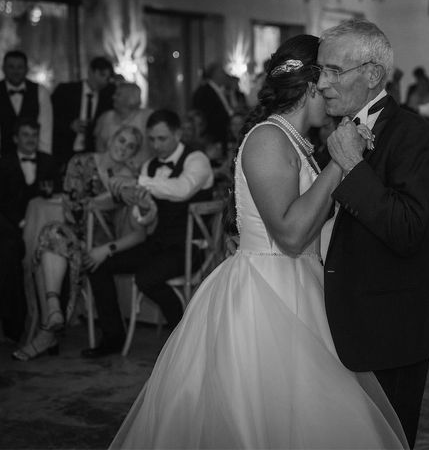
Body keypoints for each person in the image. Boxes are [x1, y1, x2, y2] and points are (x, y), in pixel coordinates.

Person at [108, 35, 407, 449]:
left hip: (301, 284)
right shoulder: (269, 138)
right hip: (265, 295)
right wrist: (342, 163)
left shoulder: (299, 142)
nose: (334, 90)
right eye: (329, 78)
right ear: (310, 86)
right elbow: (289, 233)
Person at [316, 19, 429, 448]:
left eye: (334, 71)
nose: (322, 83)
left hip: (390, 331)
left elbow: (407, 230)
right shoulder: (330, 133)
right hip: (335, 323)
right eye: (321, 71)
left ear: (372, 75)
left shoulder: (413, 135)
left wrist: (354, 166)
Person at [84, 109, 214, 358]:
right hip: (158, 243)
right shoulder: (149, 166)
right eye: (152, 139)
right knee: (99, 264)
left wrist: (140, 182)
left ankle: (185, 338)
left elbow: (182, 190)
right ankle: (113, 336)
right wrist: (143, 209)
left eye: (162, 138)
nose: (155, 145)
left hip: (190, 247)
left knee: (146, 278)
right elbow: (146, 218)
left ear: (177, 133)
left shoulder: (196, 159)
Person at [11, 125, 146, 361]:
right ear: (110, 137)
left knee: (51, 241)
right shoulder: (80, 162)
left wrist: (115, 198)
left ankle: (49, 326)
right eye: (121, 140)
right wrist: (102, 201)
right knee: (54, 235)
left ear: (135, 152)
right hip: (75, 236)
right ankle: (53, 312)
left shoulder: (132, 179)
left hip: (103, 249)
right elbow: (71, 210)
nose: (123, 148)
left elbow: (136, 228)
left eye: (130, 146)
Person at [0, 118, 58, 343]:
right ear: (15, 138)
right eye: (25, 135)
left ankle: (50, 325)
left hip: (43, 225)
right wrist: (19, 223)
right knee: (10, 255)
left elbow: (57, 194)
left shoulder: (49, 161)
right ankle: (16, 325)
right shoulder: (4, 163)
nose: (31, 140)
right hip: (9, 229)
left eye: (34, 135)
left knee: (51, 254)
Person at [51, 56, 116, 169]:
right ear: (90, 72)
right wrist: (69, 125)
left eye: (107, 77)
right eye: (101, 75)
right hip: (63, 151)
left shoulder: (108, 95)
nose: (103, 81)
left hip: (91, 154)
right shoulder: (66, 91)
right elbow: (50, 117)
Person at [0, 50, 53, 156]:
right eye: (11, 67)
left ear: (27, 69)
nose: (16, 71)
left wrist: (44, 159)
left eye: (20, 67)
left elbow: (45, 129)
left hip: (33, 157)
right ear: (3, 69)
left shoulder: (40, 91)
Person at [93, 82, 153, 169]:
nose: (113, 97)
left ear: (131, 98)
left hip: (141, 173)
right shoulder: (106, 117)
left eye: (118, 94)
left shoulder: (147, 116)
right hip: (110, 173)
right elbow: (99, 148)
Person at [192, 62, 233, 151]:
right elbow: (202, 116)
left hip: (221, 136)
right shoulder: (204, 91)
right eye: (222, 73)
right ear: (215, 74)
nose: (225, 76)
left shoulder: (219, 90)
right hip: (212, 139)